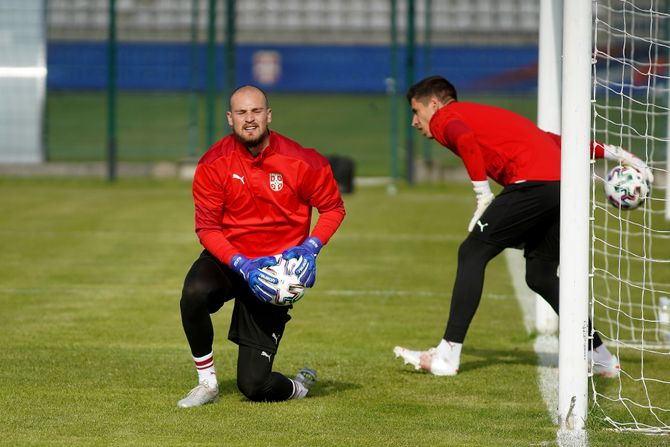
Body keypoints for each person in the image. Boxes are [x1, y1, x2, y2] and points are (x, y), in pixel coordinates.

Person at [393, 75, 653, 377]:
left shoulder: (445, 118)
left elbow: (463, 139)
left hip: (533, 184)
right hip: (564, 186)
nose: (415, 120)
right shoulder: (482, 115)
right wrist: (614, 153)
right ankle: (600, 356)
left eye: (416, 110)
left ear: (434, 103)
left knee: (472, 253)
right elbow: (551, 140)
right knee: (540, 275)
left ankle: (447, 355)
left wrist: (482, 196)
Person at [177, 85, 345, 407]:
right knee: (194, 293)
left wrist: (311, 247)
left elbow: (333, 207)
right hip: (230, 260)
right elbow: (208, 228)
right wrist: (240, 263)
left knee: (254, 386)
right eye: (241, 113)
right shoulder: (214, 163)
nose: (249, 119)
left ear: (268, 115)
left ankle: (299, 387)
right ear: (230, 118)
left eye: (256, 111)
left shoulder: (302, 161)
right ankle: (207, 384)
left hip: (275, 270)